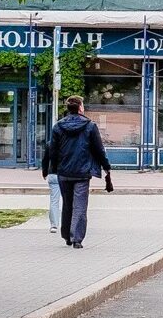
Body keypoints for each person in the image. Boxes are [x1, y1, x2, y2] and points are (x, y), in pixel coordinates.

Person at [41, 95, 113, 248]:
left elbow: (53, 151)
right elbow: (99, 149)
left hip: (64, 173)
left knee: (67, 204)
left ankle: (67, 236)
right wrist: (106, 166)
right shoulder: (90, 126)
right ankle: (77, 239)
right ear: (80, 107)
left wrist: (53, 169)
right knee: (80, 205)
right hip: (82, 172)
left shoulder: (58, 127)